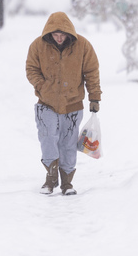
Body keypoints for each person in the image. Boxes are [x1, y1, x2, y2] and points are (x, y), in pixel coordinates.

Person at [25, 11, 101, 195]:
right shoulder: (37, 46)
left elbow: (91, 72)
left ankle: (67, 183)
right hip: (46, 102)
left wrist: (94, 97)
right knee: (48, 138)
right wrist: (42, 86)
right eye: (55, 35)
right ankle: (51, 178)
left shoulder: (83, 46)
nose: (59, 39)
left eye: (62, 35)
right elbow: (31, 68)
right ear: (49, 33)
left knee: (68, 143)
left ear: (69, 32)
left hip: (72, 103)